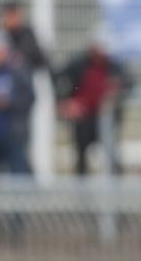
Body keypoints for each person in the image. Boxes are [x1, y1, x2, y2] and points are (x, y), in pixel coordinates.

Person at [56, 32, 133, 176]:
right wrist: (65, 102)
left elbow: (130, 83)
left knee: (111, 155)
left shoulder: (115, 67)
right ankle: (81, 191)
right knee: (81, 156)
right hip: (84, 119)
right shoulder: (78, 64)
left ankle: (117, 188)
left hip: (106, 118)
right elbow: (59, 79)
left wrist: (118, 89)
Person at [0, 32, 34, 175]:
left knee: (19, 175)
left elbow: (30, 97)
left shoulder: (17, 72)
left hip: (13, 134)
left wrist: (9, 102)